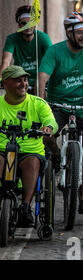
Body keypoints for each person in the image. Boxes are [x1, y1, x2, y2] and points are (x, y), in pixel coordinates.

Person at [38, 11, 83, 214]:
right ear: (69, 33)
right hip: (57, 105)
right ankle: (55, 155)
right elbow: (42, 77)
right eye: (80, 32)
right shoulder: (55, 51)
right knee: (47, 136)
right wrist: (41, 101)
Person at [0, 66, 57, 227]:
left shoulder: (38, 103)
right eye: (18, 80)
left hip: (30, 151)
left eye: (25, 80)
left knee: (31, 163)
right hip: (3, 150)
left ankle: (25, 207)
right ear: (5, 83)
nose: (23, 84)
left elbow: (51, 121)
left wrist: (48, 128)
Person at [0, 6, 52, 94]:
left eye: (31, 23)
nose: (28, 26)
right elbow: (6, 61)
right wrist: (1, 79)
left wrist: (41, 80)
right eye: (24, 23)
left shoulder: (43, 38)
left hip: (41, 80)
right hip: (20, 81)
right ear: (19, 24)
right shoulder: (12, 39)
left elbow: (51, 62)